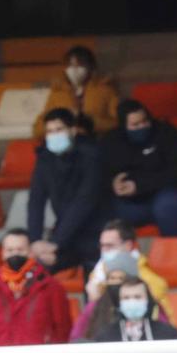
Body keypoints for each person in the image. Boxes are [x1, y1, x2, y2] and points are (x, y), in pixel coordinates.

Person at [99, 99, 177, 240]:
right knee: (106, 209)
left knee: (167, 205)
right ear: (124, 126)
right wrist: (113, 184)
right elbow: (101, 173)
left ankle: (176, 254)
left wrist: (140, 185)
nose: (142, 126)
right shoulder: (112, 141)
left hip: (169, 191)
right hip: (133, 200)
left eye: (145, 121)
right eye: (135, 125)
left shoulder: (166, 133)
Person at [29, 107, 106, 275]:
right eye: (49, 131)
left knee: (94, 282)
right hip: (66, 232)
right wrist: (35, 241)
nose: (54, 135)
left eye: (59, 129)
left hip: (97, 231)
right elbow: (36, 200)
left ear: (72, 130)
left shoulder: (92, 155)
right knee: (36, 269)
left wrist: (56, 242)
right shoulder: (45, 159)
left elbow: (85, 201)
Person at [0, 228, 73, 347]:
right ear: (2, 253)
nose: (15, 254)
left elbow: (62, 327)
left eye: (20, 250)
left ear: (31, 252)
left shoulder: (51, 287)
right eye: (10, 250)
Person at [31, 45, 122, 139]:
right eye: (70, 65)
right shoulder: (57, 93)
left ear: (90, 67)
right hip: (65, 144)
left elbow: (118, 124)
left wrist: (89, 121)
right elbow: (38, 129)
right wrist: (61, 125)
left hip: (97, 143)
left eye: (79, 65)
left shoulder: (106, 90)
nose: (74, 70)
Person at [76, 275, 177, 346]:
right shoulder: (105, 335)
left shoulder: (167, 333)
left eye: (137, 297)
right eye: (126, 298)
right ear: (119, 303)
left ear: (148, 301)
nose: (132, 301)